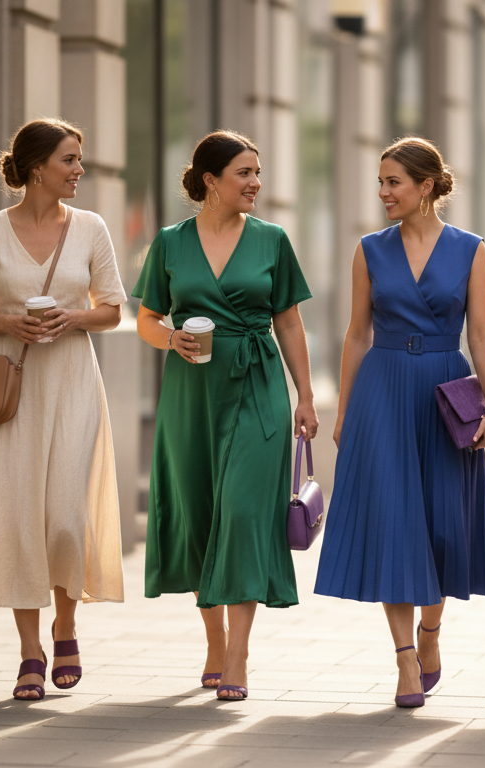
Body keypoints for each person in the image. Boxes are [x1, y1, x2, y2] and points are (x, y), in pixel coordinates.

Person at [314, 137, 485, 708]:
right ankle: (404, 659)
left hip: (445, 391)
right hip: (382, 390)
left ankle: (430, 633)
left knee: (441, 525)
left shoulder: (471, 249)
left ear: (426, 186)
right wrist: (347, 408)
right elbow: (356, 333)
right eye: (380, 182)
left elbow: (480, 333)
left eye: (393, 182)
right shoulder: (369, 251)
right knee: (395, 526)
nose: (383, 193)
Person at [0, 118, 127, 701]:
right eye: (70, 160)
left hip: (71, 378)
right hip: (12, 382)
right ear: (38, 166)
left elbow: (113, 308)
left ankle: (66, 625)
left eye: (80, 159)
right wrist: (9, 321)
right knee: (18, 517)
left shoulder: (91, 228)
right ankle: (29, 652)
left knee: (66, 517)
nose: (79, 170)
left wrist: (72, 318)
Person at [133, 130, 317, 702]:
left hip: (258, 382)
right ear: (210, 180)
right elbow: (145, 318)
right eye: (244, 172)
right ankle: (213, 639)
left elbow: (287, 321)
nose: (255, 182)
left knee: (240, 511)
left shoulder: (272, 240)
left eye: (257, 172)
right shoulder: (169, 242)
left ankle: (237, 653)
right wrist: (170, 340)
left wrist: (305, 396)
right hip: (190, 391)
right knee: (202, 515)